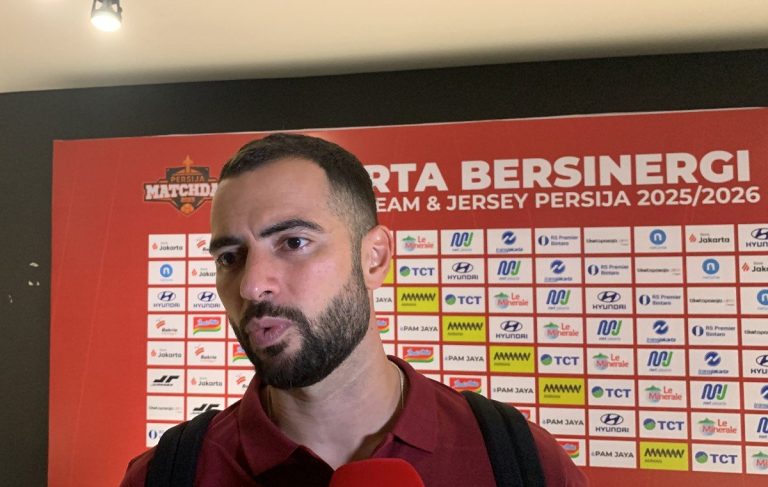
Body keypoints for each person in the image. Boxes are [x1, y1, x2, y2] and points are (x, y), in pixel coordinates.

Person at [121, 133, 588, 486]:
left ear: (375, 258)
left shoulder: (520, 461)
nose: (252, 285)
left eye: (293, 243)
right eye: (229, 257)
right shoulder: (167, 474)